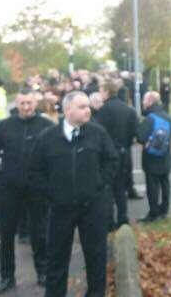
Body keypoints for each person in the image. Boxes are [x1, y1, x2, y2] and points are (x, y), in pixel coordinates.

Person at [30, 91, 119, 297]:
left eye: (88, 106)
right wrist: (52, 193)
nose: (88, 110)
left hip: (92, 207)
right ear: (67, 109)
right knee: (57, 259)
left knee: (96, 257)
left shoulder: (98, 133)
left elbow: (112, 161)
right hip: (61, 208)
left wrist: (99, 184)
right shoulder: (48, 138)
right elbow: (35, 171)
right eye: (82, 107)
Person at [0, 89, 54, 293]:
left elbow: (55, 155)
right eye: (22, 103)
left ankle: (42, 271)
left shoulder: (46, 127)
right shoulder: (4, 127)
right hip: (9, 188)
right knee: (7, 234)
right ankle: (7, 276)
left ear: (36, 103)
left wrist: (48, 180)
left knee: (39, 231)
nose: (26, 107)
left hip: (37, 188)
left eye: (29, 103)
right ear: (16, 104)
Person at [96, 79, 138, 228]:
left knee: (108, 188)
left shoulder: (104, 110)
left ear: (107, 91)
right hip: (124, 152)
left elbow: (100, 133)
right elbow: (134, 132)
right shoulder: (127, 109)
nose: (100, 93)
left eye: (101, 90)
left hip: (108, 154)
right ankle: (123, 217)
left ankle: (109, 221)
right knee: (120, 187)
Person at [136, 92, 171, 222]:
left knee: (152, 186)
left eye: (144, 100)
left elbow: (140, 138)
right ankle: (164, 209)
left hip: (151, 158)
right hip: (165, 156)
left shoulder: (149, 118)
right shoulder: (167, 116)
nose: (142, 102)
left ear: (150, 101)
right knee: (165, 183)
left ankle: (153, 213)